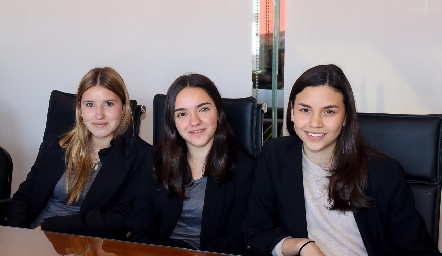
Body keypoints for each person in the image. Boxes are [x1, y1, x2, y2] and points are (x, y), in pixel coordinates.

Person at [243, 64, 441, 256]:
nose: (315, 123)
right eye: (305, 110)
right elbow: (255, 232)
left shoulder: (384, 173)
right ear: (292, 112)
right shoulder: (276, 154)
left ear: (346, 117)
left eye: (329, 111)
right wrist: (301, 246)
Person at [6, 67, 152, 240]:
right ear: (80, 109)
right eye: (90, 104)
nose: (99, 115)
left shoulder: (141, 156)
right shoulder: (59, 139)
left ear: (124, 108)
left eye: (109, 104)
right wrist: (14, 235)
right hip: (32, 237)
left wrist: (50, 227)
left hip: (83, 244)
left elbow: (121, 218)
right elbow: (25, 195)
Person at [128, 73, 255, 255]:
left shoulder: (245, 169)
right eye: (182, 114)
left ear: (218, 112)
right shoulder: (155, 160)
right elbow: (141, 228)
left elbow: (235, 241)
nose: (194, 121)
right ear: (173, 121)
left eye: (203, 109)